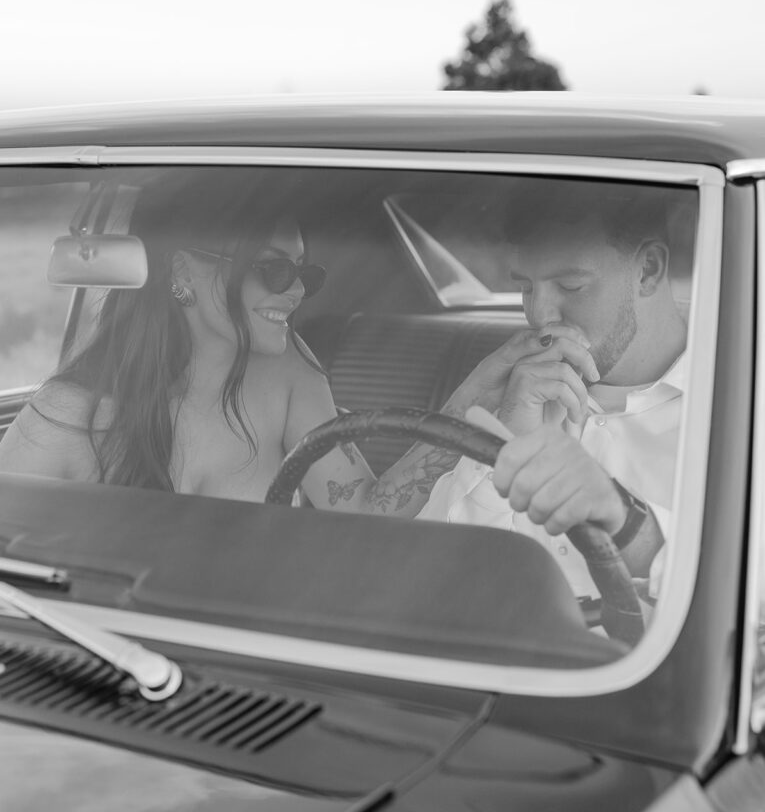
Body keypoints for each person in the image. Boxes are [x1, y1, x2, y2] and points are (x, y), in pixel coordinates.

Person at [0, 168, 493, 512]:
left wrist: (472, 401)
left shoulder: (289, 373)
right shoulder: (67, 414)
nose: (297, 290)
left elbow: (366, 507)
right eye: (273, 269)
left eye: (305, 272)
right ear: (182, 272)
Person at [418, 179, 690, 601]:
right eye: (525, 287)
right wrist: (498, 452)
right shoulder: (513, 396)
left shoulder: (745, 399)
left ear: (648, 269)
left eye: (570, 286)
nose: (538, 314)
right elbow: (429, 584)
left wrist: (631, 526)